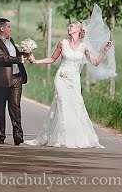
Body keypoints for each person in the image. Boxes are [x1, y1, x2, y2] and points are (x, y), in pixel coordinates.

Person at [24, 11, 114, 148]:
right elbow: (52, 59)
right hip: (61, 77)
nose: (69, 28)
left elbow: (95, 62)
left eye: (72, 26)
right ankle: (62, 137)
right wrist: (36, 61)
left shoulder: (84, 47)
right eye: (69, 26)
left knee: (76, 105)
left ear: (79, 30)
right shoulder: (63, 43)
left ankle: (75, 136)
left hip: (74, 79)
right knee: (62, 103)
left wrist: (104, 51)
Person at [0, 17, 29, 145]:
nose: (10, 29)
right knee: (0, 109)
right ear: (1, 28)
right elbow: (1, 58)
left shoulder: (11, 41)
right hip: (2, 80)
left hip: (16, 78)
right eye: (9, 27)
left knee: (15, 107)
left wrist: (25, 53)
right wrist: (19, 59)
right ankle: (1, 135)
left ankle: (18, 136)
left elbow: (14, 55)